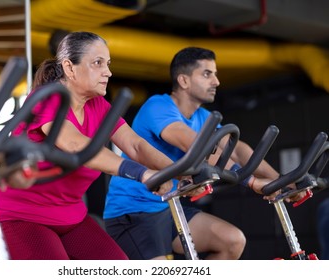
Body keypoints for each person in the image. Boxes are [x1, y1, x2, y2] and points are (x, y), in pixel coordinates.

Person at [0, 31, 181, 260]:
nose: (108, 72)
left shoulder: (98, 105)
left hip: (70, 215)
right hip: (22, 215)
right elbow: (73, 143)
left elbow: (136, 144)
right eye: (98, 63)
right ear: (70, 68)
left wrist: (181, 171)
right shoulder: (47, 97)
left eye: (108, 64)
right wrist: (140, 173)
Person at [103, 47, 283, 260]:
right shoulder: (158, 106)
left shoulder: (203, 116)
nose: (216, 81)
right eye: (207, 74)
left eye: (215, 74)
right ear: (184, 81)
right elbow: (196, 147)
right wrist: (252, 181)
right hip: (133, 212)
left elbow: (238, 150)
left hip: (169, 207)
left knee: (232, 240)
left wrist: (280, 182)